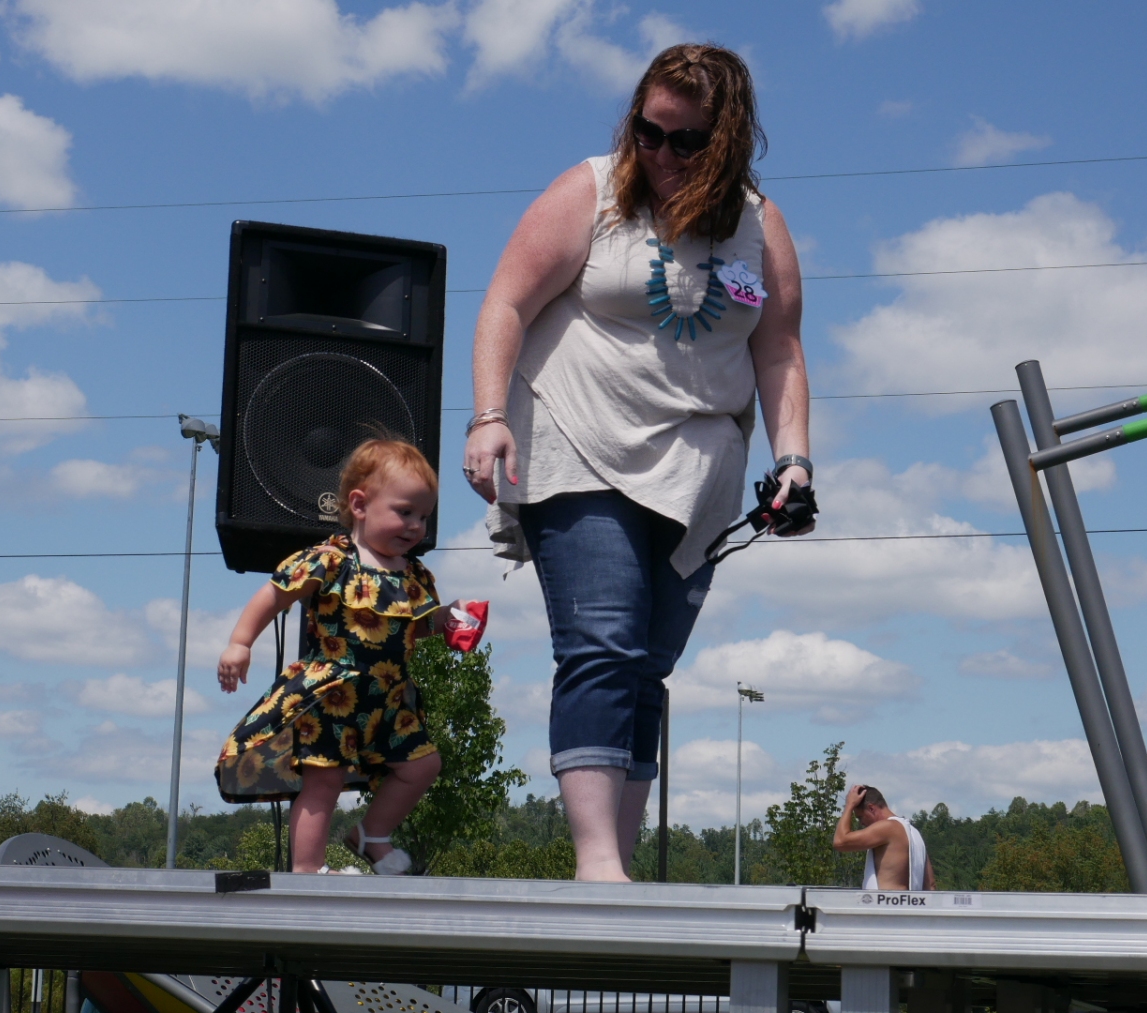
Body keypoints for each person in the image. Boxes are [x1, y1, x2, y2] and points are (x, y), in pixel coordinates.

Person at [462, 43, 813, 881]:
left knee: (648, 664)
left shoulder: (758, 226)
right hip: (580, 439)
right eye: (648, 132)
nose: (661, 154)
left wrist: (795, 461)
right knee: (604, 642)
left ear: (728, 141)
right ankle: (596, 863)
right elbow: (505, 301)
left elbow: (779, 350)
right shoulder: (589, 191)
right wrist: (487, 417)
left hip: (697, 474)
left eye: (686, 141)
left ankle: (616, 862)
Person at [214, 439, 476, 875]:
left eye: (424, 516)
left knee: (423, 765)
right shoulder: (332, 561)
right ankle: (307, 869)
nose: (416, 526)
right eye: (405, 512)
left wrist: (449, 619)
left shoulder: (413, 575)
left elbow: (413, 626)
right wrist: (240, 643)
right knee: (324, 779)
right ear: (359, 505)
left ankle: (372, 833)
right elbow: (274, 595)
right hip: (335, 694)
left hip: (389, 698)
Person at [832, 784, 935, 891]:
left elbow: (840, 842)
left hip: (886, 901)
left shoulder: (888, 827)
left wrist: (849, 805)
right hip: (912, 901)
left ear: (871, 808)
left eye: (860, 817)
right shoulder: (914, 833)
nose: (861, 823)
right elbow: (931, 885)